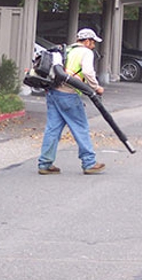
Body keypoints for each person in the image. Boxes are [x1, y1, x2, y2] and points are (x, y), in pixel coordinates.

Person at [38, 28, 106, 175]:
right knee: (80, 127)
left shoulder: (66, 50)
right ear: (87, 41)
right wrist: (96, 87)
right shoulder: (86, 52)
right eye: (93, 42)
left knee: (52, 129)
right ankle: (89, 163)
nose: (94, 46)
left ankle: (45, 164)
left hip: (53, 92)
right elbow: (88, 72)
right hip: (69, 94)